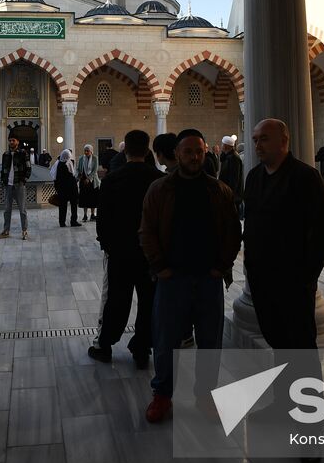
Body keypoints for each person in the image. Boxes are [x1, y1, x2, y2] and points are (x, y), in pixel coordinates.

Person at [242, 118, 324, 463]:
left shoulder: (305, 178)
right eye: (255, 139)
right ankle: (283, 404)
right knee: (280, 345)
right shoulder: (254, 178)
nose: (257, 145)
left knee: (301, 352)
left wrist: (307, 277)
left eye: (264, 139)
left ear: (284, 139)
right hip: (263, 281)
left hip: (293, 282)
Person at [140, 128, 240, 423]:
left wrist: (221, 266)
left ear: (205, 151)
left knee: (210, 341)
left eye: (199, 152)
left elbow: (233, 232)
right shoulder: (160, 190)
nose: (195, 157)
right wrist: (160, 267)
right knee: (165, 340)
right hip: (173, 279)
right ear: (177, 155)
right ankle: (162, 396)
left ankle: (206, 395)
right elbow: (147, 231)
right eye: (188, 152)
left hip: (209, 279)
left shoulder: (218, 190)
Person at [90, 129, 163, 368]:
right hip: (149, 254)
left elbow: (104, 219)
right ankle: (142, 348)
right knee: (148, 301)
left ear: (126, 150)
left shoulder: (112, 180)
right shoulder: (158, 180)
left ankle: (106, 345)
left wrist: (108, 246)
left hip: (121, 253)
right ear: (147, 148)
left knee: (117, 300)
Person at [0, 136, 32, 240]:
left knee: (22, 209)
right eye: (10, 140)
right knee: (7, 210)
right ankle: (6, 230)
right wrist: (3, 180)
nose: (11, 142)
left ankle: (24, 231)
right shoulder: (6, 154)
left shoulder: (23, 153)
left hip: (19, 184)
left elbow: (28, 168)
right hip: (8, 184)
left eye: (13, 140)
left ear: (18, 141)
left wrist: (24, 180)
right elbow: (3, 168)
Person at [217, 135, 244, 218]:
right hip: (227, 191)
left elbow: (234, 179)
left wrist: (230, 194)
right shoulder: (228, 156)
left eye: (222, 145)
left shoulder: (234, 158)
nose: (221, 146)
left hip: (231, 194)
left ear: (226, 146)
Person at [53, 149, 80, 227]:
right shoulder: (70, 163)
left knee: (62, 207)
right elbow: (72, 176)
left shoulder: (58, 164)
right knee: (73, 205)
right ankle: (73, 221)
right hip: (71, 189)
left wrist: (57, 188)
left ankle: (62, 222)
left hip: (62, 189)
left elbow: (55, 178)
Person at [76, 144, 100, 221]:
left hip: (93, 181)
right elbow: (78, 169)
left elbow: (95, 170)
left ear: (91, 151)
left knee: (93, 199)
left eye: (88, 151)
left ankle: (92, 214)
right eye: (85, 151)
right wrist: (78, 177)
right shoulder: (81, 158)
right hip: (83, 181)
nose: (86, 152)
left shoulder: (95, 158)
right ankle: (85, 215)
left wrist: (89, 178)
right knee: (84, 199)